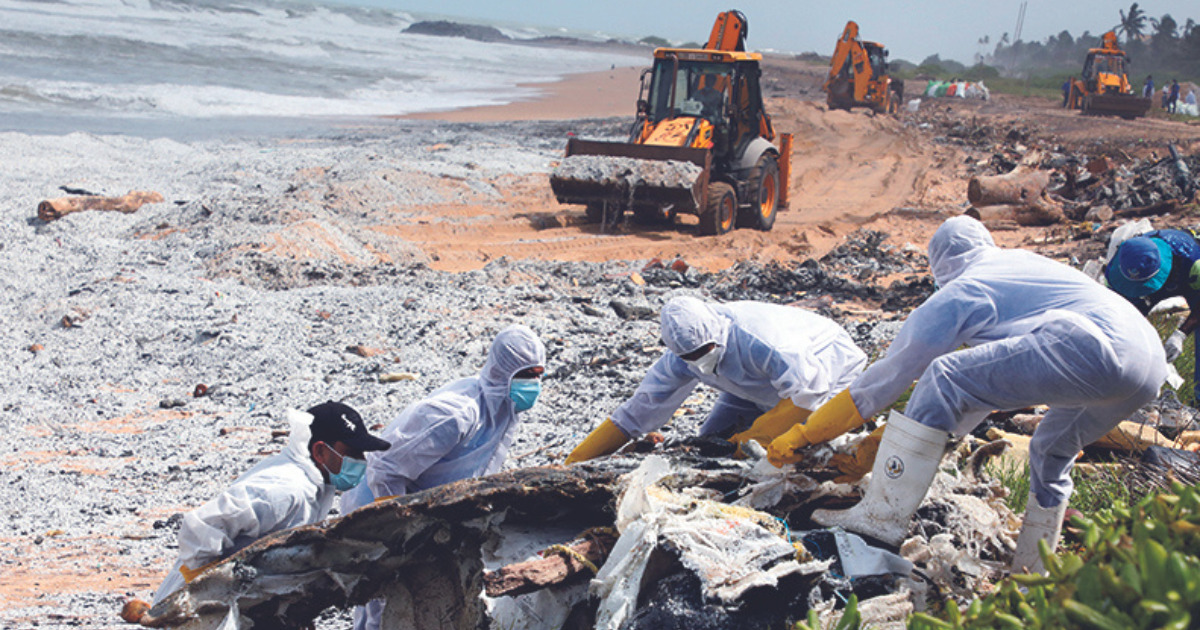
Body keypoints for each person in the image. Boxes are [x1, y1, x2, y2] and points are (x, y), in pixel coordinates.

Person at [768, 217, 1165, 573]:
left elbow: (890, 377)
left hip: (1094, 348)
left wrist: (806, 434)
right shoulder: (1017, 265)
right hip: (1149, 364)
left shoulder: (963, 289)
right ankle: (1033, 570)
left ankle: (880, 515)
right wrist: (882, 445)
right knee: (1051, 451)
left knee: (944, 376)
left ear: (940, 263)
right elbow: (986, 392)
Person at [341, 324, 546, 630]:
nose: (534, 383)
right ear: (503, 373)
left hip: (424, 507)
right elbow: (384, 467)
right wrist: (398, 532)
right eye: (526, 375)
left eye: (538, 374)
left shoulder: (506, 408)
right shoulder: (456, 414)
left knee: (422, 601)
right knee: (385, 604)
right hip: (379, 503)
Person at [565, 296, 868, 464]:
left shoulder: (762, 343)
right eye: (689, 356)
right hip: (750, 388)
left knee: (786, 455)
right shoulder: (681, 358)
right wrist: (577, 461)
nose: (698, 360)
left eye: (704, 351)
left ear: (716, 336)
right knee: (709, 446)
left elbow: (809, 393)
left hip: (830, 375)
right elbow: (638, 411)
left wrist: (753, 438)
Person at [152, 401, 389, 605]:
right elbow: (202, 526)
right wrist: (203, 591)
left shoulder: (315, 487)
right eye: (353, 453)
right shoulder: (287, 489)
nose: (360, 461)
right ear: (320, 452)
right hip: (194, 607)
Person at [1105, 230, 1200, 398]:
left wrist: (1181, 333)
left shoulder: (1193, 262)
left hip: (1187, 281)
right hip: (1139, 286)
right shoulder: (1120, 265)